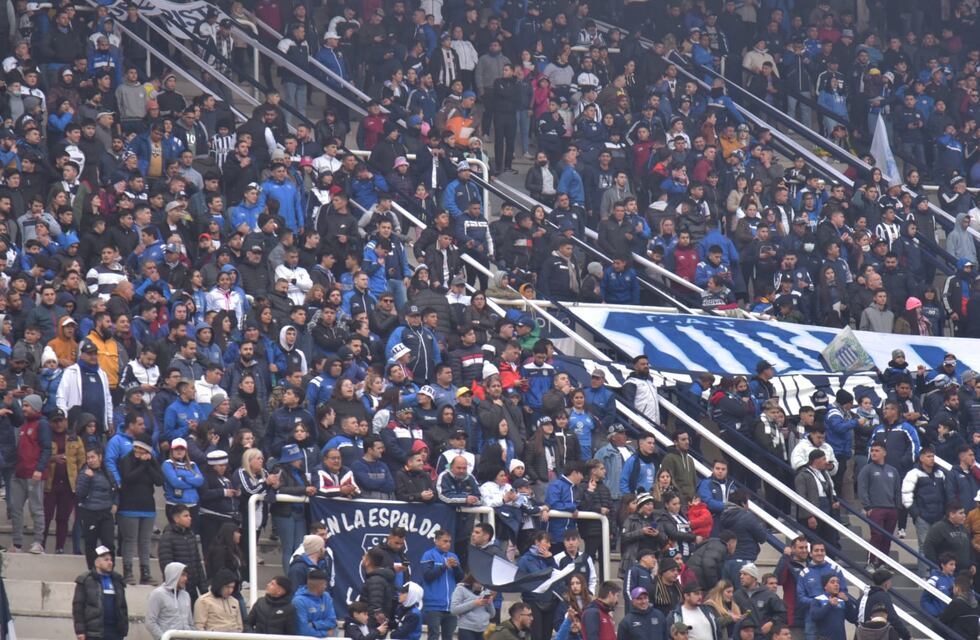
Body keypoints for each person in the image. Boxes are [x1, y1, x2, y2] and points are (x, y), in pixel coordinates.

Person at [9, 393, 51, 554]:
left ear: (35, 407)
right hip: (19, 473)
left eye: (27, 406)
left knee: (36, 509)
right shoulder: (24, 424)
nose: (24, 409)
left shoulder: (42, 424)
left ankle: (38, 542)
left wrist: (40, 469)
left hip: (34, 474)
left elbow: (46, 448)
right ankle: (17, 543)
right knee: (15, 508)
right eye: (23, 405)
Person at [856, 442, 902, 569]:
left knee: (887, 538)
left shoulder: (893, 470)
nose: (874, 453)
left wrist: (898, 507)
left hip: (891, 509)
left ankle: (883, 563)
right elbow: (862, 488)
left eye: (877, 450)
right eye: (872, 451)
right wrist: (867, 506)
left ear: (884, 453)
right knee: (877, 536)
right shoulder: (867, 469)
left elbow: (897, 490)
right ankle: (871, 562)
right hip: (876, 508)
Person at [71, 545, 129, 640]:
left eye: (111, 560)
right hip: (94, 633)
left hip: (115, 632)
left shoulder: (117, 580)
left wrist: (124, 629)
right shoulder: (85, 580)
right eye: (106, 560)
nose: (110, 563)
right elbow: (78, 608)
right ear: (96, 562)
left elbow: (123, 607)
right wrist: (80, 631)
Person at [76, 446, 118, 569]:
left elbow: (115, 489)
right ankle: (93, 570)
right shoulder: (84, 473)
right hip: (90, 512)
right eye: (88, 458)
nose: (90, 460)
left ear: (100, 457)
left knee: (109, 543)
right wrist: (88, 479)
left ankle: (109, 569)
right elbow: (80, 494)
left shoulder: (108, 473)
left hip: (105, 512)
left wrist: (115, 503)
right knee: (91, 544)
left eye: (93, 457)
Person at [158, 505, 206, 605]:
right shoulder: (167, 537)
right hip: (177, 588)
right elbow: (166, 564)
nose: (190, 518)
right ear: (176, 518)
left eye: (189, 515)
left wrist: (203, 588)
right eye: (186, 516)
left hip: (192, 587)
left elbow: (197, 562)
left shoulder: (191, 535)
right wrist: (176, 582)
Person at [420, 529, 463, 640]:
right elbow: (427, 576)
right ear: (436, 541)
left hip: (451, 606)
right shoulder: (428, 555)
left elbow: (460, 578)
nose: (448, 544)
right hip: (433, 606)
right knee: (433, 636)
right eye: (445, 541)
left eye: (449, 541)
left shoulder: (453, 556)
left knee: (448, 637)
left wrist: (456, 567)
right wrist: (444, 566)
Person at [733, 563, 787, 637]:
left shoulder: (768, 595)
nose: (741, 577)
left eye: (745, 574)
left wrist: (771, 623)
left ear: (753, 577)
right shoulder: (737, 595)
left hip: (763, 636)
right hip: (744, 636)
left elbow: (782, 613)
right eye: (741, 574)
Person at [145, 562, 195, 640]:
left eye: (186, 575)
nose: (186, 578)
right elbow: (150, 622)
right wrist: (164, 637)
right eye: (182, 575)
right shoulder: (157, 594)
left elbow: (190, 623)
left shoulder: (186, 595)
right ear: (173, 575)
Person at [292, 568, 337, 637]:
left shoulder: (326, 596)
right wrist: (326, 634)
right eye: (325, 584)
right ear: (320, 586)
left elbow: (332, 621)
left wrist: (314, 624)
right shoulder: (299, 601)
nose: (326, 586)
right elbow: (303, 631)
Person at [450, 574, 496, 640]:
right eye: (478, 582)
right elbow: (453, 610)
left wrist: (490, 603)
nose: (481, 585)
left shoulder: (486, 591)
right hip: (466, 628)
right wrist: (474, 603)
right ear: (472, 580)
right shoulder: (461, 589)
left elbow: (492, 615)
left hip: (483, 629)